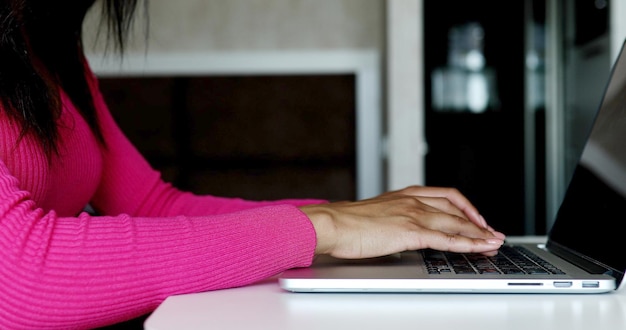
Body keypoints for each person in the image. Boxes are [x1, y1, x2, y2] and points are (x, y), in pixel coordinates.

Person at [0, 0, 505, 328]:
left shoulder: (45, 48)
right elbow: (19, 277)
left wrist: (360, 218)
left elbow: (152, 204)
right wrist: (322, 228)